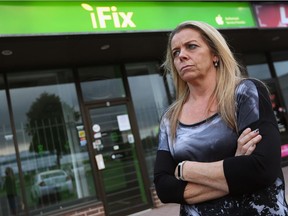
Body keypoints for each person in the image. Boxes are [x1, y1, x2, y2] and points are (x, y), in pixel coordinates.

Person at [154, 20, 288, 215]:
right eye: (175, 52)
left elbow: (262, 168)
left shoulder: (244, 93)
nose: (181, 55)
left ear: (215, 54)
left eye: (191, 46)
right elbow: (164, 188)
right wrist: (236, 164)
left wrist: (185, 169)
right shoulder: (170, 119)